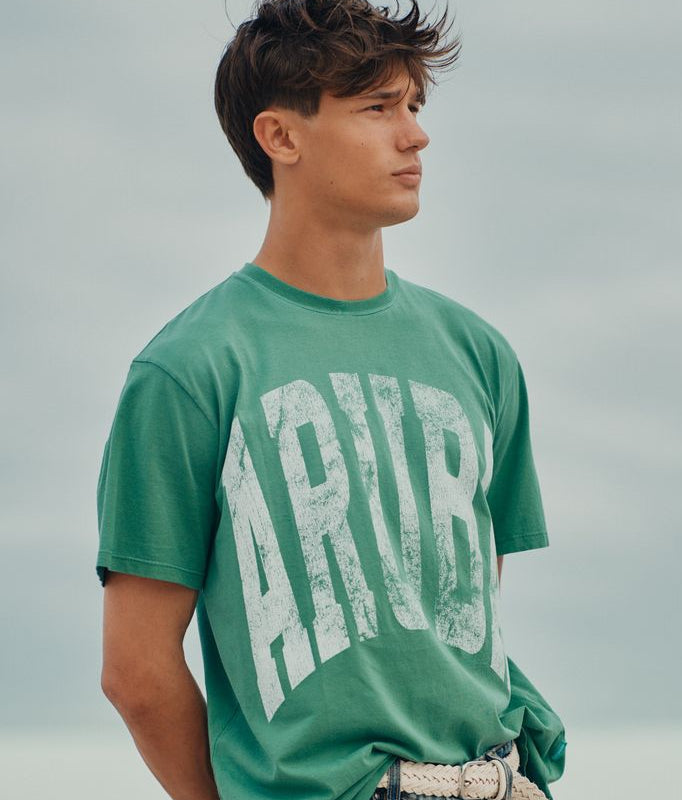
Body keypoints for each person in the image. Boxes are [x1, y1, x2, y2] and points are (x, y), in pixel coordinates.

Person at [95, 2, 566, 799]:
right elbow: (137, 673)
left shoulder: (477, 353)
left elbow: (462, 607)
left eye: (414, 105)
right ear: (281, 137)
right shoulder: (190, 370)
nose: (415, 135)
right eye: (377, 108)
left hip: (502, 780)